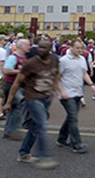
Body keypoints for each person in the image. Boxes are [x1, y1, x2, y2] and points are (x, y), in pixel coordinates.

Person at [3, 40, 61, 169]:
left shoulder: (54, 60)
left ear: (50, 49)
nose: (41, 49)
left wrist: (55, 90)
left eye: (44, 48)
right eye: (39, 47)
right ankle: (44, 156)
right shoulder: (31, 63)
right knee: (41, 124)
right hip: (32, 98)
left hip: (46, 98)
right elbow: (17, 83)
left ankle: (23, 153)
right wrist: (8, 102)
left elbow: (57, 74)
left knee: (34, 127)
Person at [56, 39, 95, 153]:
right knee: (73, 118)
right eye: (77, 48)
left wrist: (91, 84)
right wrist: (61, 91)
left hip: (78, 92)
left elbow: (84, 73)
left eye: (81, 48)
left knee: (70, 117)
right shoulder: (63, 60)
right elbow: (57, 77)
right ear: (71, 48)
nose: (80, 50)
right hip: (67, 94)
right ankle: (77, 144)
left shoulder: (82, 59)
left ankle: (61, 139)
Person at [2, 38, 30, 140]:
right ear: (21, 46)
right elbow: (6, 70)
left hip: (22, 85)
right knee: (17, 107)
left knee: (17, 108)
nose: (29, 47)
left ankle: (10, 131)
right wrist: (20, 71)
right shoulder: (13, 58)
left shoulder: (25, 57)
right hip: (12, 85)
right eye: (27, 45)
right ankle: (10, 131)